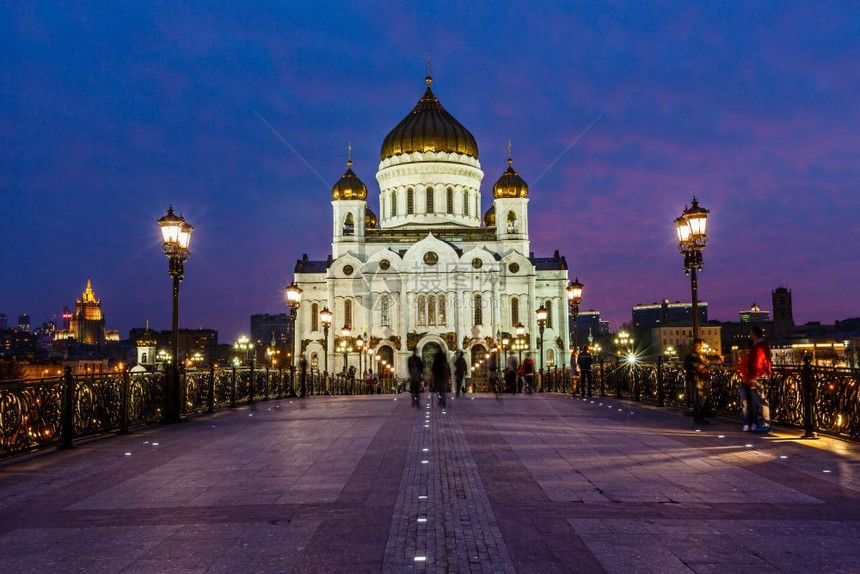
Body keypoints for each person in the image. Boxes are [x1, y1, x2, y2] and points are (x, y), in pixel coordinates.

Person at [747, 326, 773, 433]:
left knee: (761, 400)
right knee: (761, 400)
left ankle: (766, 424)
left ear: (754, 334)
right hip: (763, 375)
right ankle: (763, 422)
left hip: (758, 376)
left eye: (751, 333)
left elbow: (757, 362)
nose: (750, 335)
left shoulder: (758, 346)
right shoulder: (765, 344)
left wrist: (753, 378)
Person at [684, 338, 711, 424]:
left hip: (702, 379)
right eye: (701, 344)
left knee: (702, 399)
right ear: (697, 345)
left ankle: (700, 417)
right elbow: (688, 366)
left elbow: (705, 365)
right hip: (696, 379)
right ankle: (698, 418)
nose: (702, 346)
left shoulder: (699, 355)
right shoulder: (692, 355)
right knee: (698, 399)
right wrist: (699, 367)